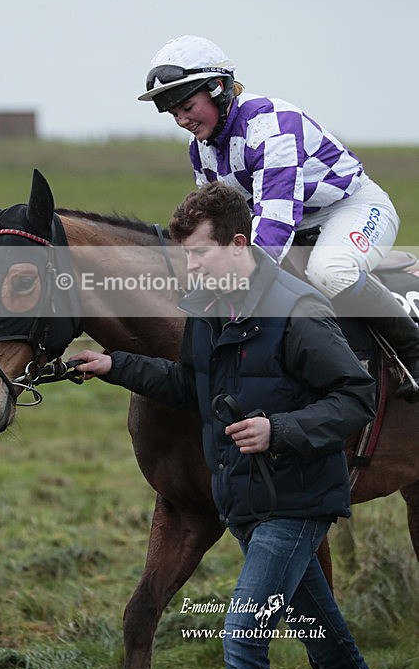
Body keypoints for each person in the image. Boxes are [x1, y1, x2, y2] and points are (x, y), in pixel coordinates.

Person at [71, 182, 377, 669]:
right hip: (247, 500)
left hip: (295, 502)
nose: (189, 268)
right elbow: (192, 386)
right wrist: (116, 364)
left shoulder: (297, 311)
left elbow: (355, 397)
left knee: (241, 638)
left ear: (238, 246)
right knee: (330, 646)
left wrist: (278, 430)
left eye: (199, 255)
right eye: (184, 256)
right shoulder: (210, 309)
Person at [137, 34, 419, 401]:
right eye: (174, 113)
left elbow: (275, 222)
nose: (182, 120)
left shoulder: (272, 126)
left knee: (328, 271)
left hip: (352, 209)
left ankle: (413, 350)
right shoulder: (201, 148)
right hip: (297, 223)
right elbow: (213, 222)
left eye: (187, 107)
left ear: (218, 88)